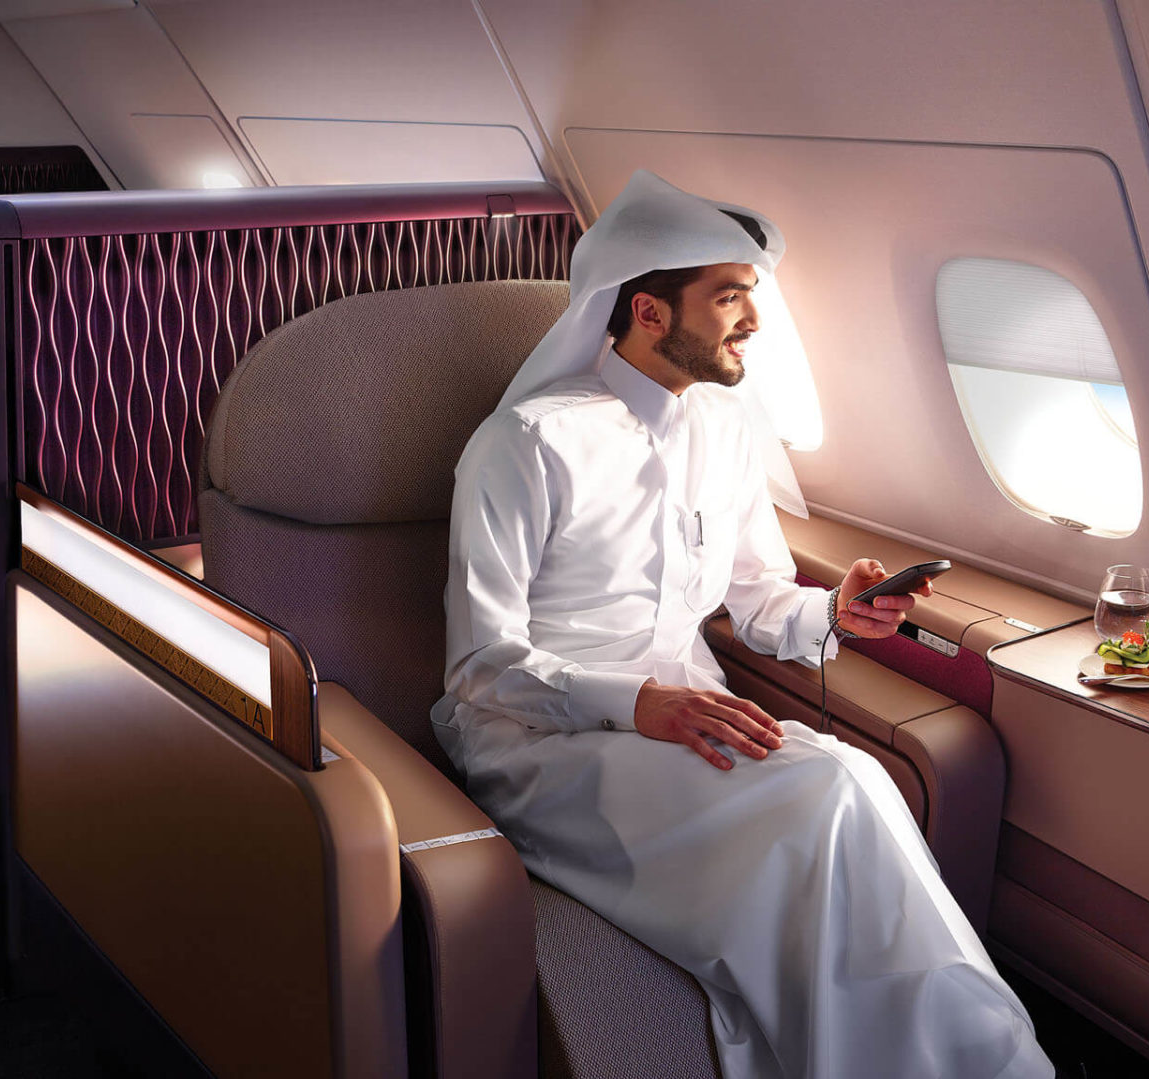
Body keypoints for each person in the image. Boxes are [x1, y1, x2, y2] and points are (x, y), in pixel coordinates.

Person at [431, 171, 1052, 1078]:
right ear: (648, 312)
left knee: (858, 779)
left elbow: (760, 599)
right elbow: (480, 665)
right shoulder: (526, 444)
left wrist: (837, 612)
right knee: (823, 793)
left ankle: (977, 1057)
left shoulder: (724, 427)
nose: (753, 321)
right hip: (543, 749)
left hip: (691, 720)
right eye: (729, 298)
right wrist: (637, 703)